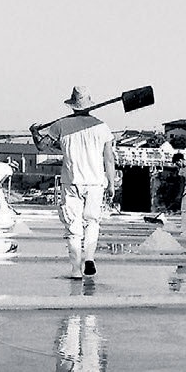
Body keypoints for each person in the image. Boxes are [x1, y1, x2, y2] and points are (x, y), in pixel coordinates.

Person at [30, 86, 116, 279]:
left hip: (71, 181)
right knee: (92, 221)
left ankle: (76, 270)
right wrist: (111, 184)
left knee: (72, 227)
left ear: (72, 105)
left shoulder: (60, 125)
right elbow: (109, 159)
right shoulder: (102, 127)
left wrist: (34, 132)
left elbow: (42, 146)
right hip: (95, 182)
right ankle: (90, 258)